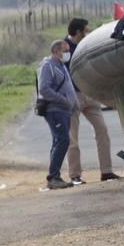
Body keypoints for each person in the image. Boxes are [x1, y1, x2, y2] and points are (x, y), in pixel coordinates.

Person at [64, 18, 120, 183]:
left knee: (102, 131)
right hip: (73, 96)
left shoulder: (86, 45)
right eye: (85, 31)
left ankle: (107, 171)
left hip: (90, 95)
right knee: (72, 138)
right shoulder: (64, 48)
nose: (87, 34)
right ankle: (75, 175)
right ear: (78, 32)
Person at [37, 39, 79, 190]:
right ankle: (53, 177)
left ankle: (55, 176)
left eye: (68, 50)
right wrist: (63, 100)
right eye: (65, 50)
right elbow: (44, 88)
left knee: (59, 141)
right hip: (55, 110)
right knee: (62, 140)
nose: (67, 53)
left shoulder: (61, 65)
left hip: (65, 110)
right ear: (55, 51)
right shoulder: (48, 66)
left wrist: (73, 104)